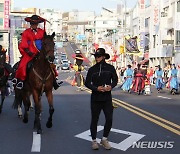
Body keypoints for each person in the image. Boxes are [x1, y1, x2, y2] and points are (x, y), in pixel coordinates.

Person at [11, 15, 61, 90]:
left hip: (40, 52)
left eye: (36, 24)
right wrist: (28, 51)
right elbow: (24, 44)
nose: (34, 25)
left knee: (50, 64)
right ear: (30, 24)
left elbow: (45, 42)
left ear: (37, 24)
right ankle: (21, 80)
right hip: (29, 52)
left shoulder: (42, 32)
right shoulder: (26, 32)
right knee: (23, 64)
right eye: (33, 23)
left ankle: (54, 80)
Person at [85, 48, 118, 150]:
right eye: (95, 56)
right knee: (94, 119)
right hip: (95, 97)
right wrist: (96, 88)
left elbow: (115, 80)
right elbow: (87, 83)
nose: (97, 58)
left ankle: (104, 138)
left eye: (98, 56)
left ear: (104, 57)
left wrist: (111, 86)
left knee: (109, 118)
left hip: (107, 98)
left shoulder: (110, 68)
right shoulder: (92, 69)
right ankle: (94, 141)